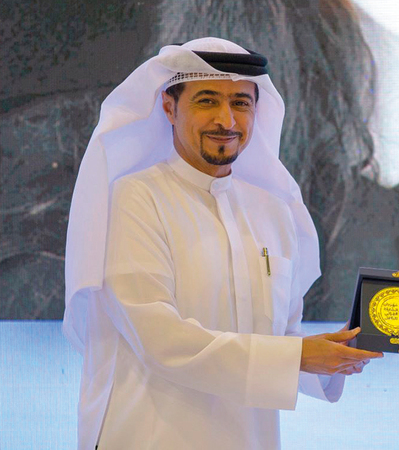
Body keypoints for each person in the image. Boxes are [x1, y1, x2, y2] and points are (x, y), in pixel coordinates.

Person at [62, 37, 382, 449]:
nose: (226, 120)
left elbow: (282, 340)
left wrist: (338, 353)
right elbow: (160, 339)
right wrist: (299, 356)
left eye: (240, 103)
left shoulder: (274, 211)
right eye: (207, 101)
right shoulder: (135, 198)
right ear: (169, 108)